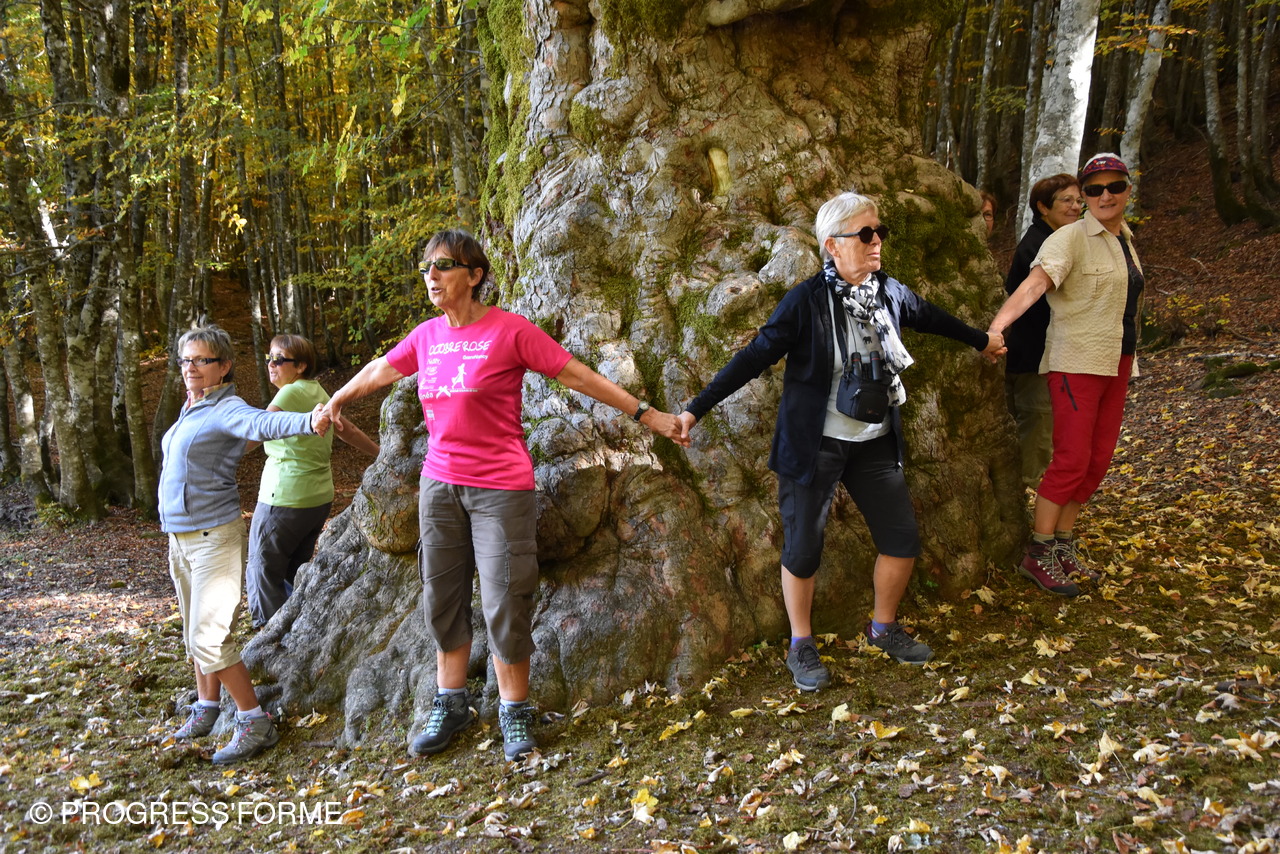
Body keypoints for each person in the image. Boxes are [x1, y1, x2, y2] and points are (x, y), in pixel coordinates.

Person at [322, 229, 686, 761]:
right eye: (426, 268)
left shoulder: (510, 330)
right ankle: (451, 702)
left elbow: (577, 376)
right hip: (439, 486)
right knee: (442, 596)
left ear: (474, 275)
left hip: (500, 487)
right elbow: (381, 369)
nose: (431, 276)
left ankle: (514, 708)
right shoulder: (427, 336)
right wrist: (338, 397)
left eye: (443, 266)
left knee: (506, 598)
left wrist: (646, 414)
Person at [676, 191, 1005, 691]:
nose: (877, 243)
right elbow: (754, 357)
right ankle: (800, 643)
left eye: (880, 232)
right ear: (832, 245)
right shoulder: (806, 301)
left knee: (901, 540)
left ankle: (883, 629)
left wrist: (982, 341)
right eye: (865, 234)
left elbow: (931, 316)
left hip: (874, 441)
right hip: (815, 445)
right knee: (803, 548)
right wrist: (695, 409)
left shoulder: (887, 292)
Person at [161, 324, 330, 764]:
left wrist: (307, 421)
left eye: (202, 360)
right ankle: (206, 707)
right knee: (194, 633)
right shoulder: (192, 406)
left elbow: (261, 421)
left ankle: (254, 720)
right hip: (180, 539)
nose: (191, 368)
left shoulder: (225, 408)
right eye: (186, 360)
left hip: (212, 538)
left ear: (224, 367)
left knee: (211, 637)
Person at [987, 153, 1144, 598]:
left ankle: (1063, 543)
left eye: (1114, 187)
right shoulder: (1069, 239)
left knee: (1097, 460)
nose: (1104, 196)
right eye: (1094, 190)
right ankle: (1038, 552)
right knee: (1072, 458)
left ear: (1128, 190)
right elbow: (1034, 285)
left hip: (1118, 360)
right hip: (1076, 362)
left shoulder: (1125, 238)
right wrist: (997, 327)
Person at [245, 334, 380, 627]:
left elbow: (257, 432)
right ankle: (297, 630)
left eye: (279, 359)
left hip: (283, 497)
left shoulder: (288, 394)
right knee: (293, 570)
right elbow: (347, 430)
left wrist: (216, 454)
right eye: (269, 358)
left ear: (301, 366)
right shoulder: (318, 391)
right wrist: (380, 453)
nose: (271, 364)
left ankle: (271, 633)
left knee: (262, 569)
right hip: (317, 500)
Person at [1003, 175, 1083, 488]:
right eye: (1066, 200)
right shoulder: (1041, 246)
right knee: (1036, 431)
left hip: (1035, 355)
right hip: (1034, 358)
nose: (1075, 207)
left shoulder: (1054, 239)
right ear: (1043, 207)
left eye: (1078, 200)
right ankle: (1028, 495)